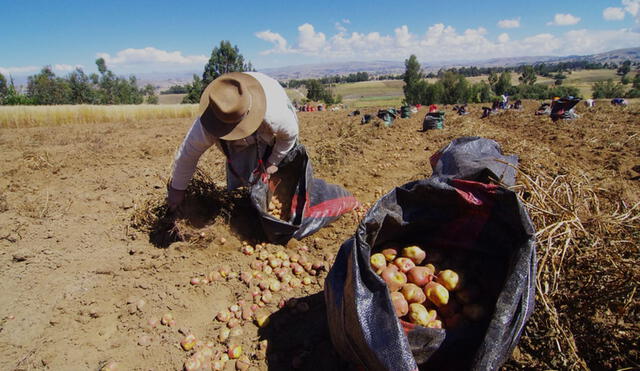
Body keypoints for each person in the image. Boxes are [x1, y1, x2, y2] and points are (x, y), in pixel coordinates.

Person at [167, 72, 299, 212]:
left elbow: (289, 136)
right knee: (242, 170)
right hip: (241, 136)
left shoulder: (275, 115)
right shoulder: (207, 122)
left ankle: (284, 198)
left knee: (282, 170)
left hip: (270, 125)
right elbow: (187, 156)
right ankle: (246, 204)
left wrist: (273, 162)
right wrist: (177, 190)